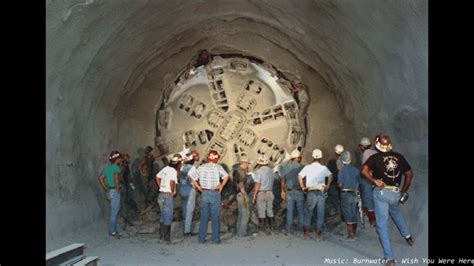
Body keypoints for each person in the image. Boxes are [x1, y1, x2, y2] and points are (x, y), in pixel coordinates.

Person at [361, 134, 414, 266]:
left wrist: (374, 181)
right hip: (395, 193)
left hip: (382, 193)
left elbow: (364, 171)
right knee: (395, 212)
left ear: (377, 145)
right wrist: (403, 191)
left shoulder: (374, 158)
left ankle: (389, 258)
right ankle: (408, 237)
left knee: (382, 224)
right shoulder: (399, 157)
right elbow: (409, 174)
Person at [190, 150, 230, 244]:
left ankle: (201, 239)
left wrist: (198, 187)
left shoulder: (202, 167)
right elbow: (226, 177)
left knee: (204, 217)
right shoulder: (218, 167)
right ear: (216, 159)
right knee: (215, 217)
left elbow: (192, 177)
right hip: (215, 193)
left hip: (204, 192)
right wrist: (221, 186)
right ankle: (215, 239)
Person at [298, 149, 333, 239]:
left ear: (313, 157)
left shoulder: (307, 167)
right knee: (320, 213)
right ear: (320, 158)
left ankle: (306, 232)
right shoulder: (324, 168)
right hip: (321, 192)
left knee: (309, 212)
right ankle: (318, 233)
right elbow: (330, 175)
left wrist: (302, 187)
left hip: (311, 191)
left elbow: (299, 176)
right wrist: (328, 186)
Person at [156, 154, 182, 243]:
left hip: (161, 195)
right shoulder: (173, 171)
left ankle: (161, 235)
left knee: (163, 215)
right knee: (168, 216)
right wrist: (172, 191)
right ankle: (167, 237)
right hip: (167, 196)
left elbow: (157, 176)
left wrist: (161, 186)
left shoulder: (165, 168)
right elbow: (172, 182)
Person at [337, 151, 361, 241]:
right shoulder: (356, 170)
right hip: (355, 193)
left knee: (347, 214)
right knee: (353, 213)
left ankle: (351, 235)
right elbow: (360, 182)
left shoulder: (342, 171)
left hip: (346, 194)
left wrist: (340, 186)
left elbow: (340, 184)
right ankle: (354, 233)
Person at [280, 149, 305, 235]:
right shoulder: (302, 167)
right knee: (301, 211)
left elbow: (283, 180)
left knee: (289, 211)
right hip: (299, 191)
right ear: (298, 158)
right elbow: (305, 180)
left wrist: (282, 191)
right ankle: (302, 229)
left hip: (289, 192)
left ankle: (289, 229)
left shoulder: (286, 167)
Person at [98, 151, 122, 237]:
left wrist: (105, 187)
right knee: (114, 211)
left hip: (109, 191)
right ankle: (112, 231)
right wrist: (118, 187)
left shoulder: (107, 168)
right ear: (117, 159)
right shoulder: (116, 167)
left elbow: (100, 178)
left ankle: (113, 229)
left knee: (113, 210)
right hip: (115, 191)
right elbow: (116, 177)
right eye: (120, 158)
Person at [252, 155, 276, 233]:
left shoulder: (258, 171)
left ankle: (262, 228)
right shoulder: (271, 171)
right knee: (270, 210)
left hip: (261, 193)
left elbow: (257, 184)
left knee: (261, 211)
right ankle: (272, 227)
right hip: (270, 192)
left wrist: (254, 195)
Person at [358, 137, 378, 227]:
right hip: (377, 180)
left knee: (368, 200)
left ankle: (372, 221)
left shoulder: (365, 153)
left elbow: (364, 168)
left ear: (362, 146)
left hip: (368, 180)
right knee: (375, 200)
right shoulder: (375, 152)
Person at [179, 150, 200, 236]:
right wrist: (197, 187)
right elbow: (194, 179)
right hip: (189, 189)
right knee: (189, 210)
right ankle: (187, 231)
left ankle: (184, 227)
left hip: (182, 188)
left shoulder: (182, 167)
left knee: (184, 208)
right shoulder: (192, 168)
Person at [232, 157, 252, 236]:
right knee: (245, 214)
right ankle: (242, 232)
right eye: (247, 164)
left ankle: (238, 231)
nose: (248, 165)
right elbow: (240, 183)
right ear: (244, 163)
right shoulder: (241, 172)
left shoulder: (236, 171)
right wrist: (244, 195)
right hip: (242, 194)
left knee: (241, 213)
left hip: (238, 194)